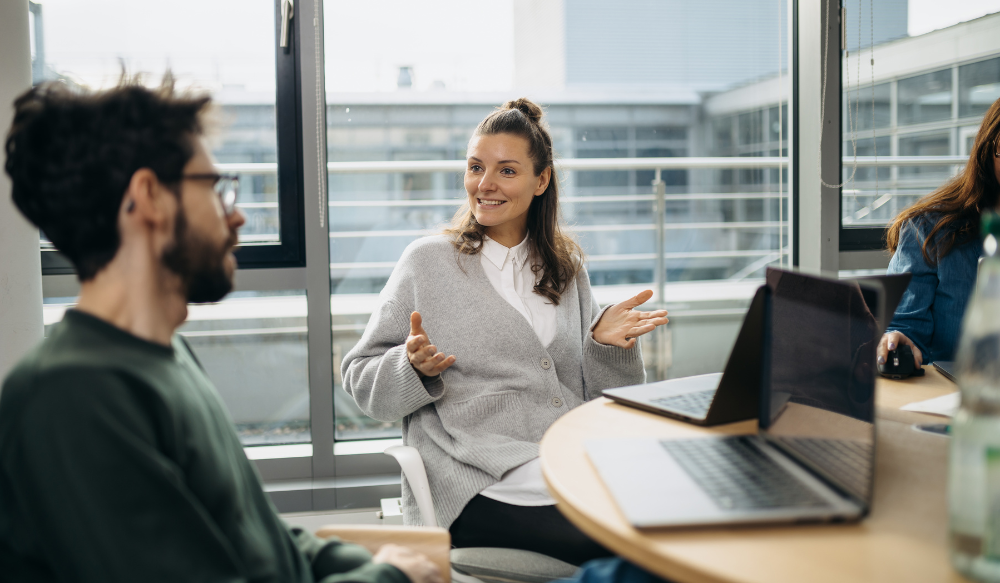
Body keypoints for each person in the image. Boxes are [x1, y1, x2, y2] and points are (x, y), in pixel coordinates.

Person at [0, 78, 442, 583]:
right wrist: (387, 579)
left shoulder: (168, 355)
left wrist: (370, 564)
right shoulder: (70, 397)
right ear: (149, 196)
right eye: (214, 188)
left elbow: (252, 535)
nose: (237, 213)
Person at [341, 99, 669, 566]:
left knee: (675, 519)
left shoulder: (565, 267)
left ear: (542, 180)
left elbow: (597, 401)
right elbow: (361, 383)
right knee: (633, 551)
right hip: (477, 477)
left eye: (506, 171)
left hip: (567, 460)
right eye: (476, 167)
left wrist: (603, 347)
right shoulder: (427, 263)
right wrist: (410, 367)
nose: (485, 184)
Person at [879, 96, 1000, 369]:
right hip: (962, 398)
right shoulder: (929, 231)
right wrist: (899, 340)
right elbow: (905, 329)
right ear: (987, 151)